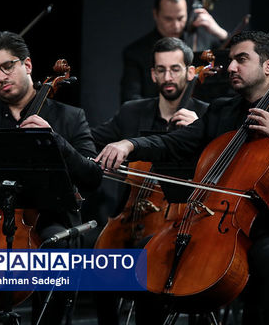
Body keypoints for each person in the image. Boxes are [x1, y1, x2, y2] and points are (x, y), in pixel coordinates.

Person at [97, 30, 269, 324]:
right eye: (231, 60)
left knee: (265, 254)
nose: (230, 67)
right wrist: (131, 144)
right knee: (148, 252)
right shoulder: (223, 110)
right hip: (222, 225)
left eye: (241, 59)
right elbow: (175, 143)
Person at [0, 31, 102, 324]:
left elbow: (92, 178)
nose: (1, 77)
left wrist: (54, 140)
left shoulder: (70, 117)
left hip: (49, 219)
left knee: (54, 249)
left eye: (8, 66)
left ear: (28, 65)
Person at [90, 36, 209, 325]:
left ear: (191, 72)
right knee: (97, 258)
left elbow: (218, 171)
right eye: (161, 70)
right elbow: (89, 141)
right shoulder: (132, 112)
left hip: (185, 225)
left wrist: (199, 132)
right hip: (133, 215)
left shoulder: (206, 115)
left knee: (147, 256)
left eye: (175, 69)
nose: (168, 77)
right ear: (153, 74)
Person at [120, 0, 228, 103]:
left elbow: (235, 58)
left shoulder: (203, 40)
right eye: (168, 19)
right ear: (155, 14)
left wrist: (222, 34)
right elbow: (130, 100)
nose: (176, 26)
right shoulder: (136, 53)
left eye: (181, 18)